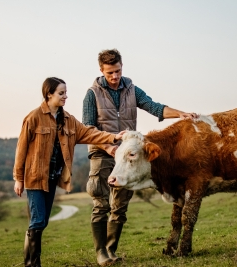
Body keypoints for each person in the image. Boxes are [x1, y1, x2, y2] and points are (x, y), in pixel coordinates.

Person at [82, 49, 198, 266]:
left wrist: (181, 114)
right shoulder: (92, 94)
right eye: (110, 73)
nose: (115, 77)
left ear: (122, 67)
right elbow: (88, 129)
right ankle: (101, 253)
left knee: (120, 206)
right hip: (102, 152)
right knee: (101, 202)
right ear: (101, 71)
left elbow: (154, 107)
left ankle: (110, 250)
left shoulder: (131, 89)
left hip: (127, 154)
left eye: (117, 71)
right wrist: (108, 147)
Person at [13, 77, 125, 267]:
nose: (66, 96)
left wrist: (113, 137)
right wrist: (18, 178)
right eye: (61, 93)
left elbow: (90, 133)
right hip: (34, 178)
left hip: (52, 178)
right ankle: (32, 264)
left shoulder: (68, 120)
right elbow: (21, 149)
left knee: (42, 222)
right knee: (38, 221)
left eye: (65, 92)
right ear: (49, 94)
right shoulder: (33, 118)